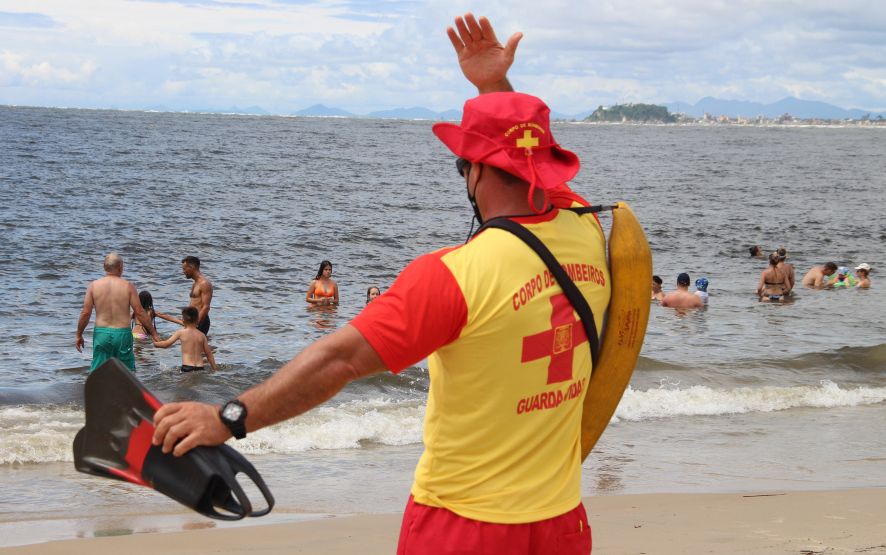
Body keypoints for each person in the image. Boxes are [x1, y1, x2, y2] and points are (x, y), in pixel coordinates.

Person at [153, 13, 612, 554]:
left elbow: (338, 359)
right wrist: (494, 86)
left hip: (465, 525)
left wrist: (227, 417)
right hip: (561, 522)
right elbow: (531, 167)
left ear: (476, 171)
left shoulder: (454, 275)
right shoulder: (585, 228)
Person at [76, 253, 160, 372]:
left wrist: (79, 335)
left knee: (99, 370)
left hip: (102, 334)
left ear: (104, 266)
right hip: (123, 335)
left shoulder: (93, 286)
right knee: (126, 371)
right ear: (120, 267)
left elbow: (85, 313)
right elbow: (140, 312)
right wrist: (154, 334)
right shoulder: (128, 286)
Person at [156, 256, 213, 335]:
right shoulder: (194, 283)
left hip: (200, 320)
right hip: (192, 320)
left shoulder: (204, 283)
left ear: (191, 268)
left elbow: (206, 307)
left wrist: (195, 324)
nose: (183, 271)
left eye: (184, 269)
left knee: (194, 342)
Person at [153, 307, 218, 373]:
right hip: (200, 367)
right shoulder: (202, 335)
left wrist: (155, 343)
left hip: (187, 367)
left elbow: (165, 344)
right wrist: (215, 369)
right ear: (198, 320)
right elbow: (208, 353)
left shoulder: (181, 332)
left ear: (183, 320)